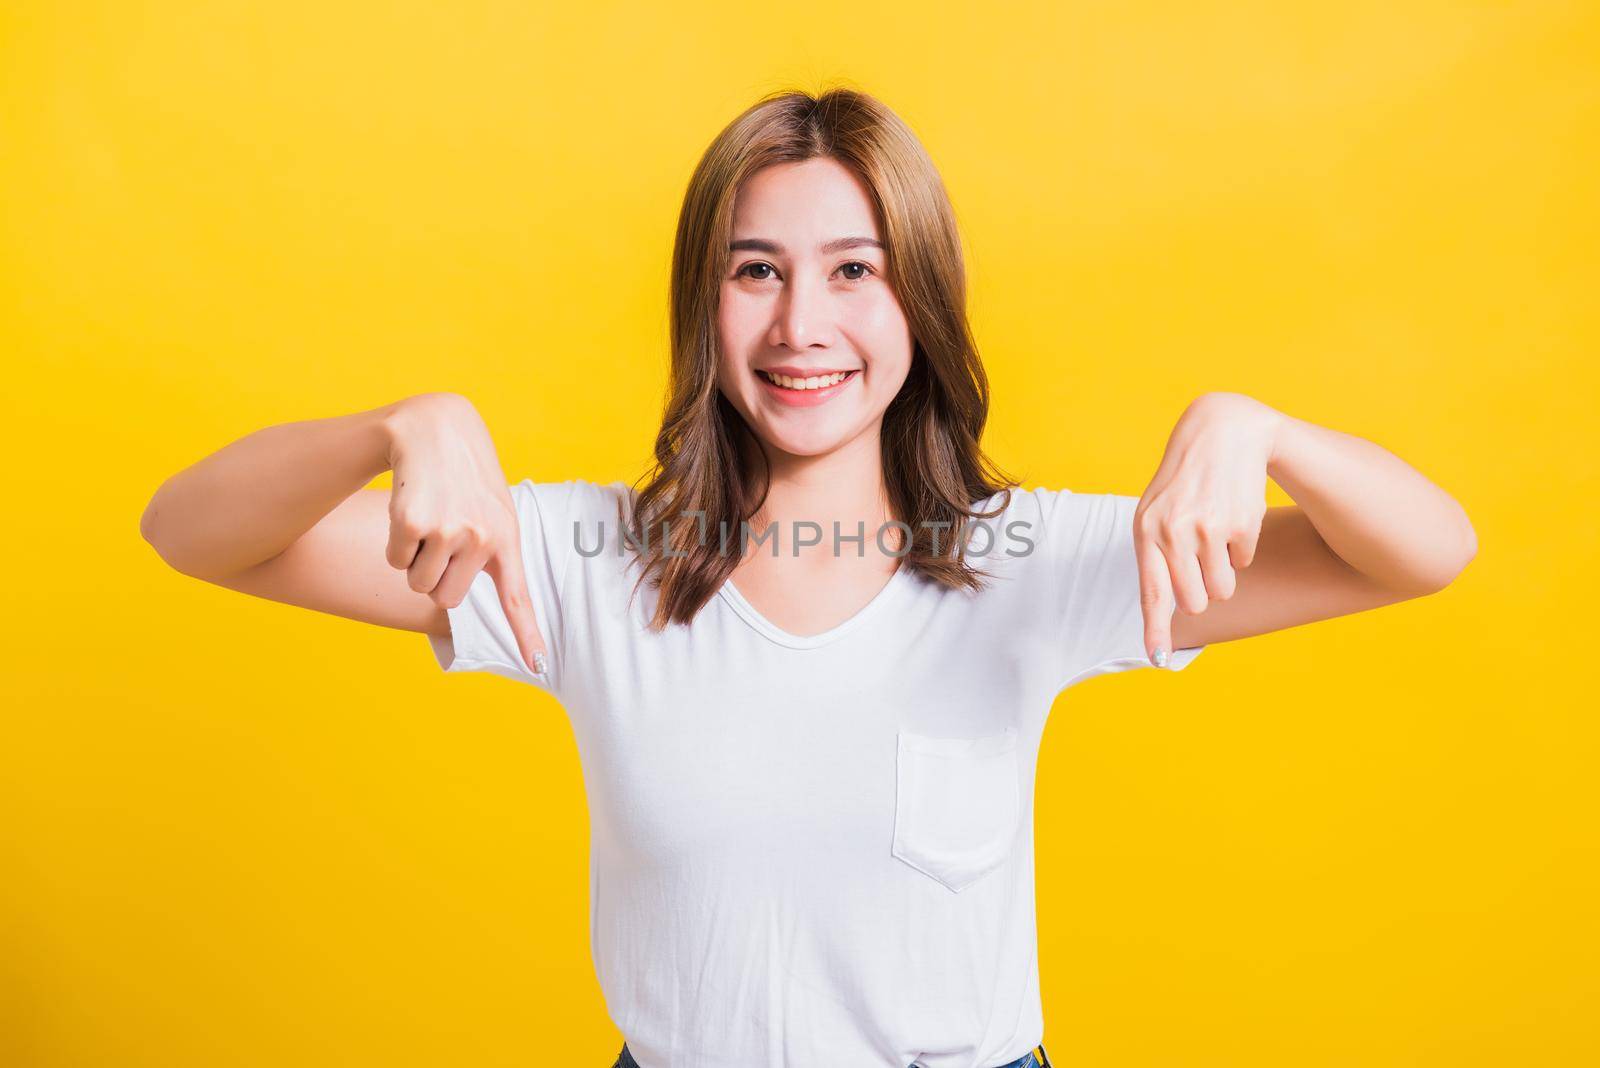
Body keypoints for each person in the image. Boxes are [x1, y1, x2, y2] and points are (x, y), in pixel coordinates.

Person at [140, 87, 1477, 1068]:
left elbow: (1428, 551)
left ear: (922, 307)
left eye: (856, 273)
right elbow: (192, 533)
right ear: (702, 307)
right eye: (755, 274)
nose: (801, 327)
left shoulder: (1035, 561)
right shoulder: (577, 561)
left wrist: (1255, 427)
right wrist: (400, 425)